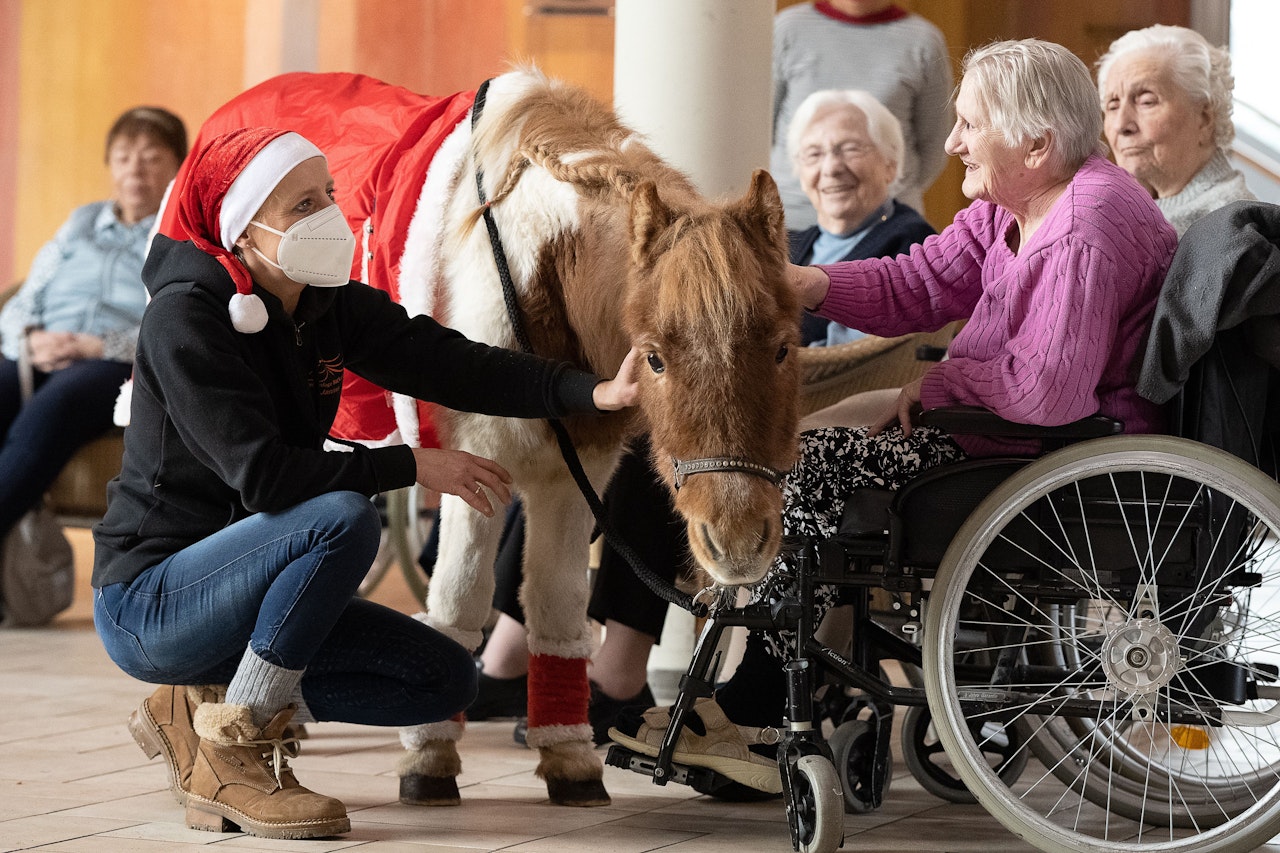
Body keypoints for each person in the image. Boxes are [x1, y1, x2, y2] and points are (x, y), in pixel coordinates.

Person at [611, 38, 1178, 795]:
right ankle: (774, 693)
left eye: (969, 125)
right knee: (790, 448)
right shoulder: (1018, 208)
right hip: (1000, 441)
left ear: (1038, 143)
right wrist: (801, 282)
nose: (950, 143)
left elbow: (1050, 392)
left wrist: (930, 390)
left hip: (1048, 459)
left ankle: (759, 712)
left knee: (802, 468)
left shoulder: (1083, 223)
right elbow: (922, 281)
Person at [91, 127, 638, 839]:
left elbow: (448, 361)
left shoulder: (323, 302)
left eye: (330, 195)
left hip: (250, 592)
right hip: (152, 600)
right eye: (303, 203)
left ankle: (197, 708)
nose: (330, 216)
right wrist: (410, 464)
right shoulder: (184, 316)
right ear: (243, 223)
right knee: (341, 517)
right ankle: (237, 748)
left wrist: (589, 393)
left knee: (443, 679)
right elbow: (266, 478)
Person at [0, 107, 185, 562]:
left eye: (150, 157)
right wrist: (27, 339)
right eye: (123, 157)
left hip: (113, 362)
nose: (134, 169)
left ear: (178, 166)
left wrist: (100, 346)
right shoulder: (81, 222)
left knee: (55, 406)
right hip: (38, 349)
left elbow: (178, 318)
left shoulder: (177, 234)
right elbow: (27, 295)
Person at [771, 0, 952, 230]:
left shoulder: (923, 40)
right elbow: (760, 128)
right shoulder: (788, 28)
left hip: (888, 227)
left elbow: (934, 146)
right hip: (792, 222)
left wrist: (878, 191)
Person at [787, 88, 936, 346]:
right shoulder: (789, 244)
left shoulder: (914, 244)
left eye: (850, 149)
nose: (831, 168)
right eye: (814, 154)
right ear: (800, 174)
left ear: (890, 165)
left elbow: (853, 354)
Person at [1097, 23, 1255, 236]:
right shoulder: (1125, 210)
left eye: (1147, 101)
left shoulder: (1232, 229)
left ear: (1205, 118)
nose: (1121, 125)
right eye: (1112, 105)